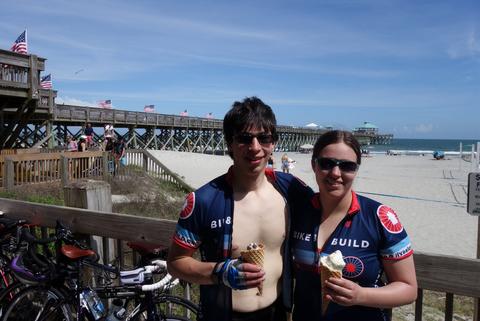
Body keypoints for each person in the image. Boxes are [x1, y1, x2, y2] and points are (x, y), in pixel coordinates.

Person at [167, 97, 313, 321]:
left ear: (273, 143)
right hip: (225, 315)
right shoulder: (204, 200)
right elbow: (176, 263)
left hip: (278, 313)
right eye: (245, 139)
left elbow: (331, 207)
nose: (255, 148)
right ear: (230, 143)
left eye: (264, 138)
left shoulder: (292, 190)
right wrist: (219, 273)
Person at [291, 130, 417, 321]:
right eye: (327, 164)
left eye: (347, 166)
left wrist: (361, 295)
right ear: (313, 165)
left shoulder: (379, 217)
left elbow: (408, 288)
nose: (335, 173)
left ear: (356, 169)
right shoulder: (299, 211)